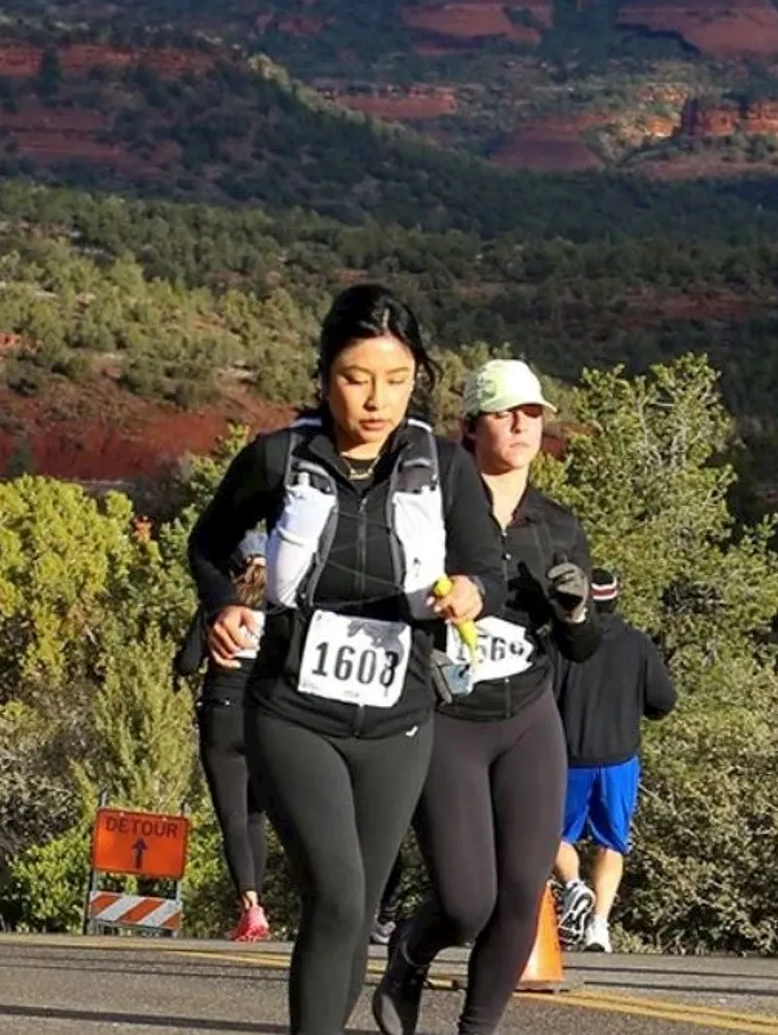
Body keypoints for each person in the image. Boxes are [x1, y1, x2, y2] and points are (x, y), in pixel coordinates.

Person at [188, 283, 503, 1035]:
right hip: (293, 709)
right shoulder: (277, 456)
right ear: (325, 374)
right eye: (356, 377)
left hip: (399, 715)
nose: (376, 399)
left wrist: (470, 590)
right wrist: (223, 605)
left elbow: (488, 563)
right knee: (335, 889)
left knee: (356, 906)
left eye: (396, 380)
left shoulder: (445, 465)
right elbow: (207, 544)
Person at [374, 357, 597, 1035]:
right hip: (447, 719)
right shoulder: (426, 514)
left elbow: (584, 650)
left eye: (533, 413)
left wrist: (576, 614)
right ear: (470, 427)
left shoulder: (558, 526)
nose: (523, 425)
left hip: (529, 718)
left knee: (524, 890)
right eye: (506, 413)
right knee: (468, 900)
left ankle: (476, 1028)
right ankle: (411, 951)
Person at [551, 568, 676, 954]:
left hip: (567, 756)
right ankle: (599, 927)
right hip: (619, 758)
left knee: (549, 835)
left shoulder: (560, 644)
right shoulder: (637, 644)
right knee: (612, 842)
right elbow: (662, 701)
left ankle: (574, 887)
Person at [174, 532, 272, 942]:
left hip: (222, 715)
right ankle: (260, 906)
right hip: (266, 719)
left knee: (231, 816)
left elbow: (187, 663)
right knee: (255, 816)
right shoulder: (283, 608)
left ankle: (250, 906)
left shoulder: (220, 604)